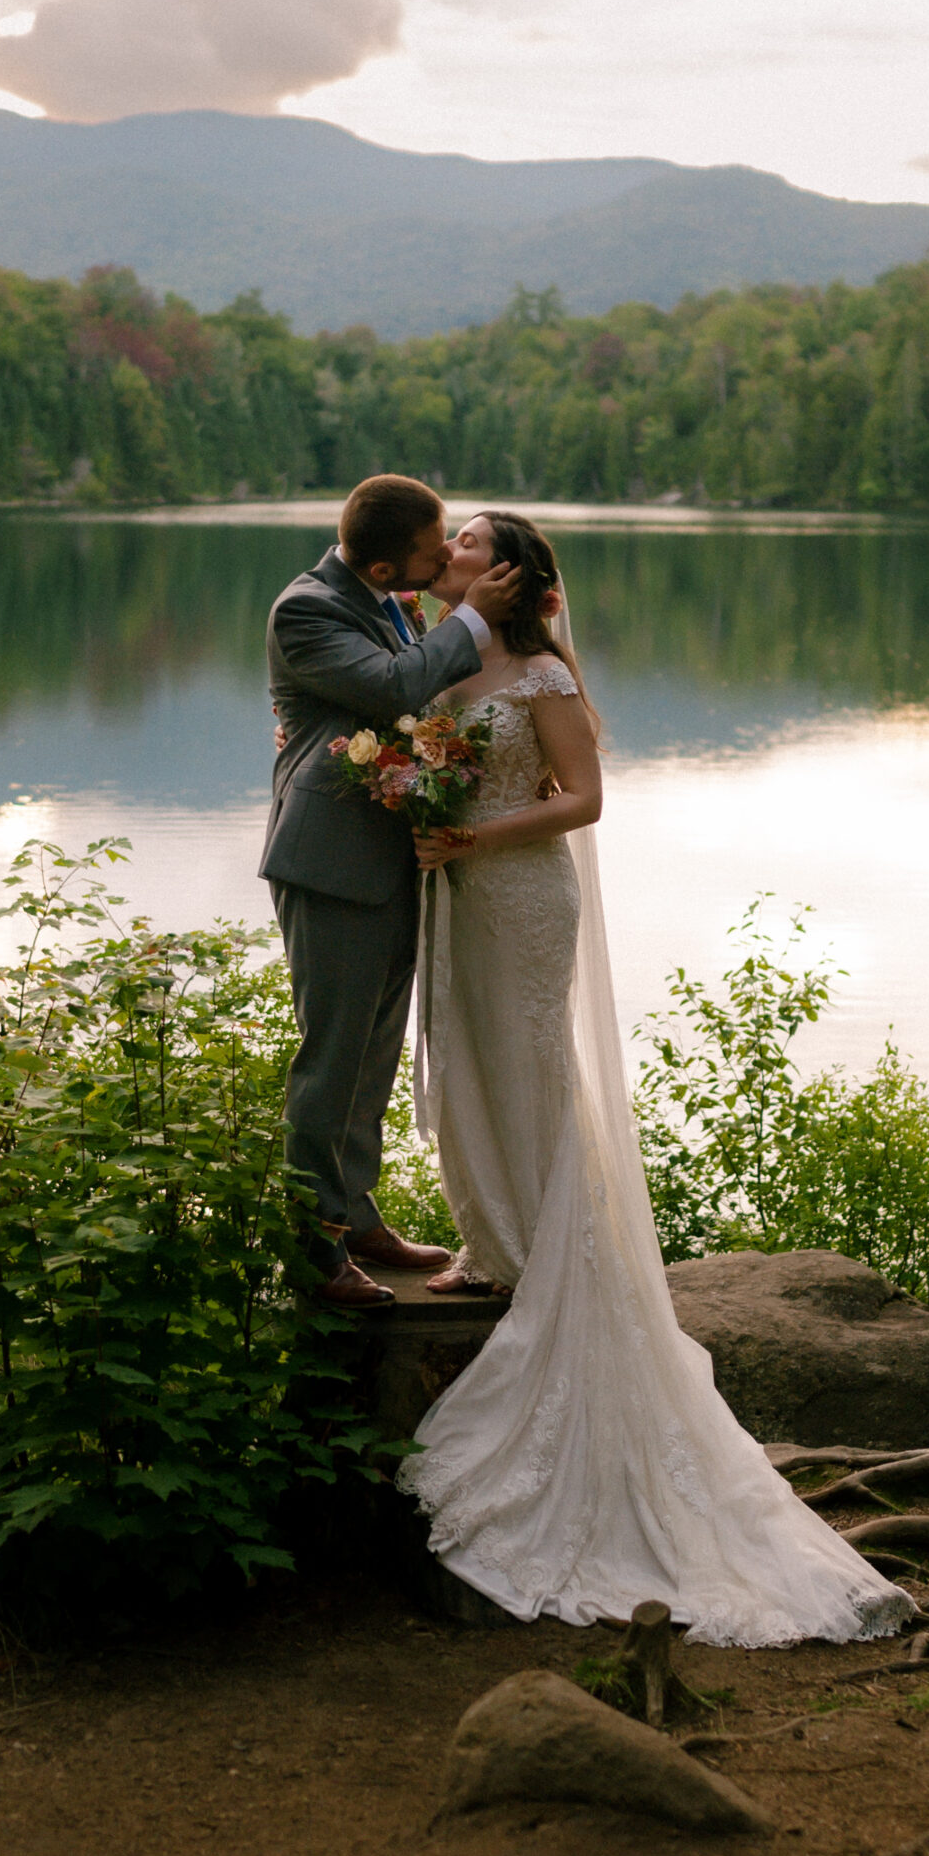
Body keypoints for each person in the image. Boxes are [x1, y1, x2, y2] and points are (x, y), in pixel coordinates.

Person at [401, 510, 916, 1647]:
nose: (451, 546)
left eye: (471, 540)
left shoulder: (536, 671)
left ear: (511, 569)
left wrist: (474, 839)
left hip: (521, 895)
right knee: (470, 1068)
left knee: (534, 1073)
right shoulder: (435, 654)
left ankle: (551, 1263)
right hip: (461, 895)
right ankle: (492, 1239)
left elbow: (582, 799)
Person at [261, 475, 522, 1308]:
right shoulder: (303, 608)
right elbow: (389, 689)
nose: (445, 556)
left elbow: (392, 699)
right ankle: (312, 1251)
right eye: (430, 549)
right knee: (330, 1060)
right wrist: (473, 618)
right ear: (382, 564)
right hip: (329, 864)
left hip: (386, 858)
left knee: (371, 1056)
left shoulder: (384, 599)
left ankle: (355, 1215)